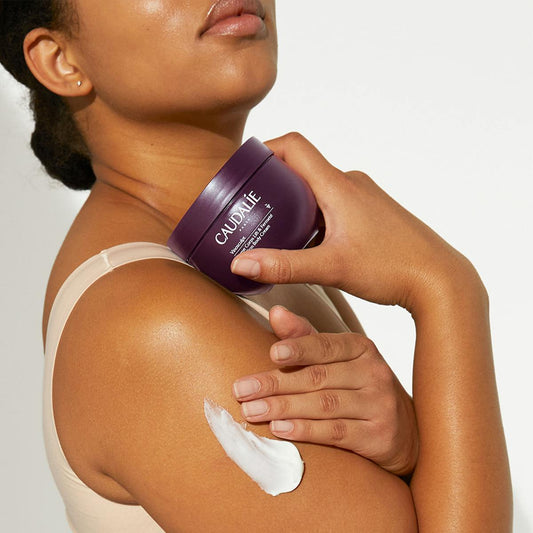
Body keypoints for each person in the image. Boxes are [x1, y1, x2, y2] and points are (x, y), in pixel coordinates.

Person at [0, 1, 511, 531]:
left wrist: (410, 448)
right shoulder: (152, 322)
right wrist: (445, 287)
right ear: (60, 60)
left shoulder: (252, 261)